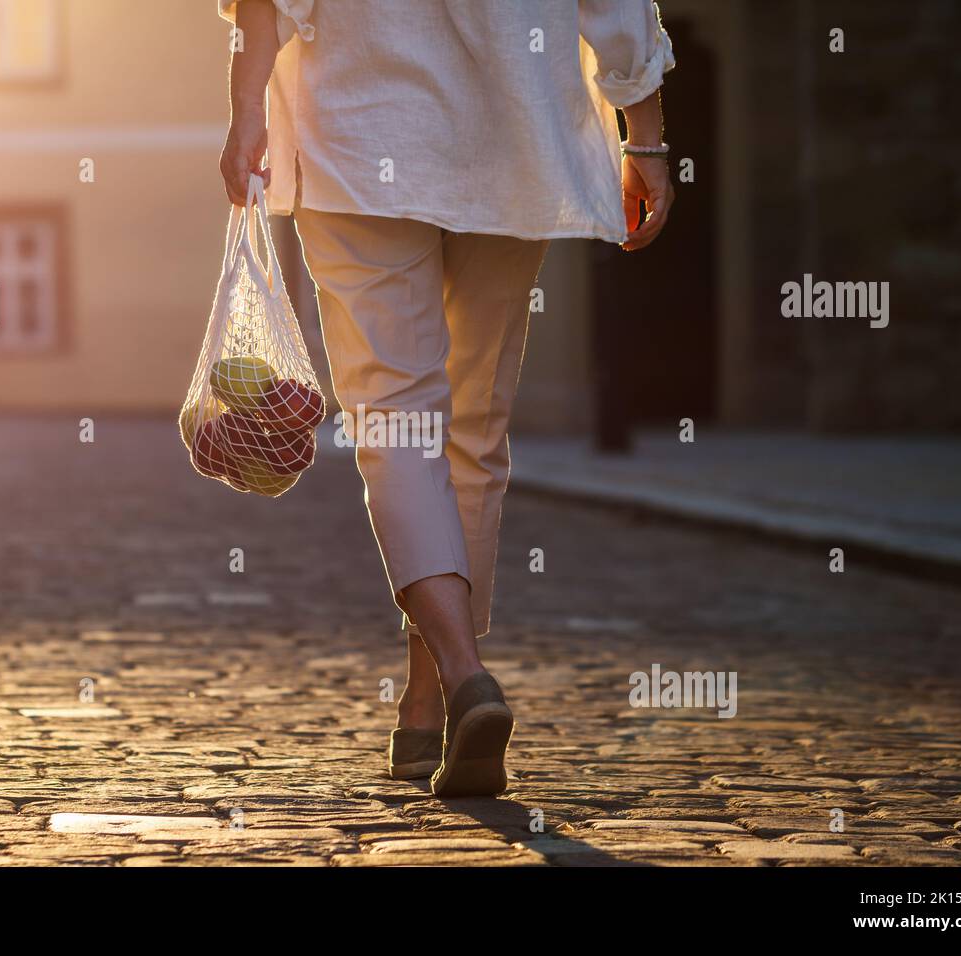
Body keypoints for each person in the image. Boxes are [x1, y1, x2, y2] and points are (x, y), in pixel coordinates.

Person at [218, 0, 675, 796]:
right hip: (509, 140)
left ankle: (458, 681)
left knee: (396, 422)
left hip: (359, 138)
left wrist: (246, 105)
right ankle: (431, 700)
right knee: (471, 433)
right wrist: (647, 136)